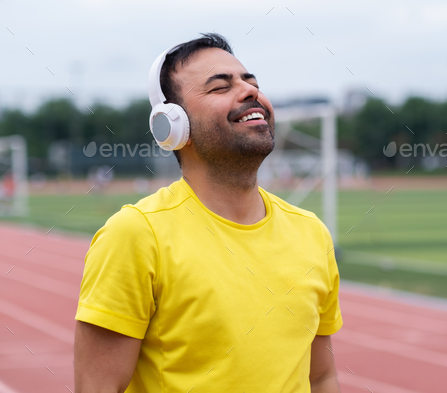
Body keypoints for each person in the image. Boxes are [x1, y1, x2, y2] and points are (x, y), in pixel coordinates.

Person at [73, 33, 343, 393]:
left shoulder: (312, 233)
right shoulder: (136, 235)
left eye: (252, 82)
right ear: (171, 125)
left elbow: (322, 376)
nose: (250, 92)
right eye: (220, 87)